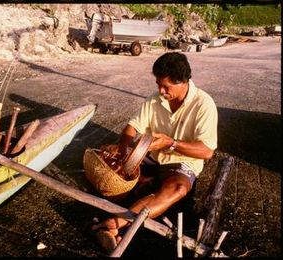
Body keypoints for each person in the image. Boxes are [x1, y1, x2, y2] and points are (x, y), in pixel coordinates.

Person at [91, 52, 218, 252]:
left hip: (183, 162)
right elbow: (133, 126)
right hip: (151, 158)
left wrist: (172, 143)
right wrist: (123, 146)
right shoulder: (154, 100)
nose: (160, 90)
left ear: (183, 81)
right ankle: (113, 221)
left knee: (178, 189)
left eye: (166, 86)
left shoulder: (204, 104)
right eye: (158, 83)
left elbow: (207, 151)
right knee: (113, 170)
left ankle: (114, 224)